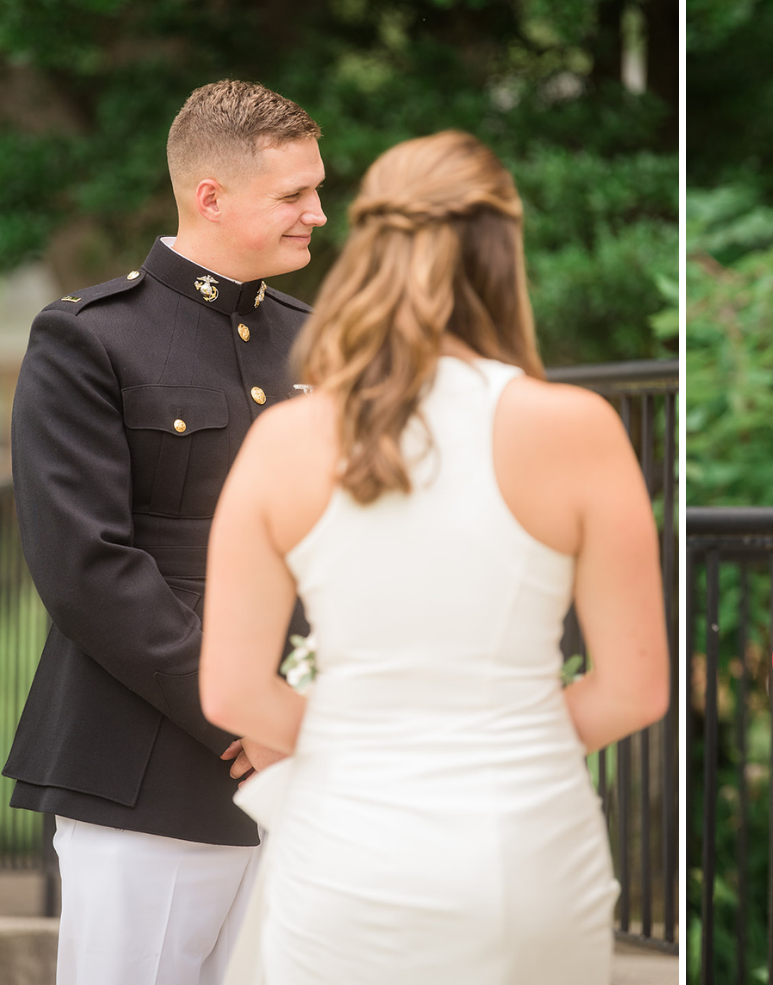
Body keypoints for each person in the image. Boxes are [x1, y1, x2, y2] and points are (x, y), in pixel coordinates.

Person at [198, 129, 669, 984]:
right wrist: (498, 741)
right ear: (502, 250)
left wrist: (364, 745)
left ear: (372, 244)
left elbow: (231, 690)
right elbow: (634, 689)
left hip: (344, 853)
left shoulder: (283, 441)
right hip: (523, 848)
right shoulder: (576, 428)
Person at [4, 79, 326, 984]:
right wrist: (244, 713)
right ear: (210, 195)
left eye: (317, 188)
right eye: (295, 194)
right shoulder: (90, 340)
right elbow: (85, 566)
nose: (319, 214)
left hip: (309, 769)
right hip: (148, 769)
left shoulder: (322, 343)